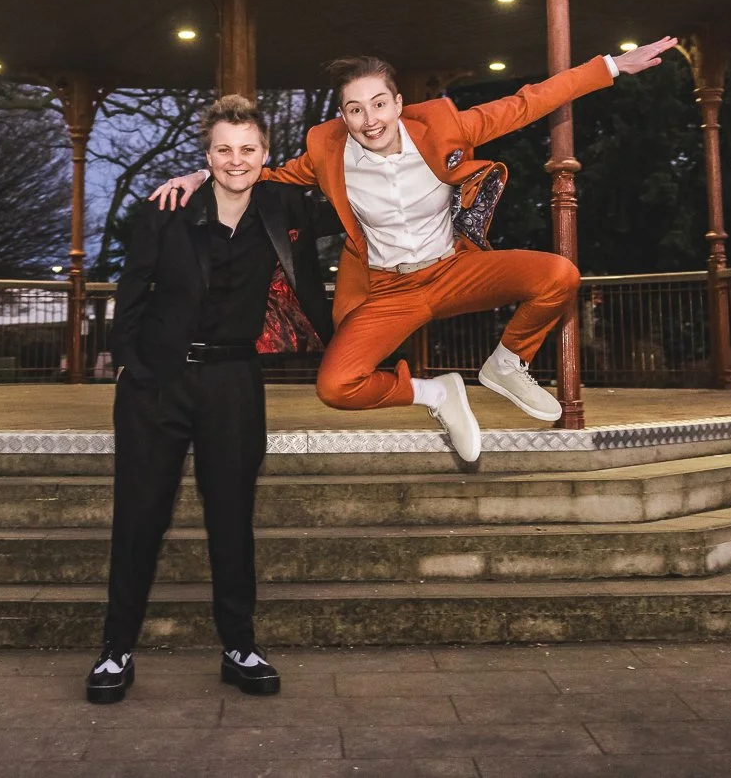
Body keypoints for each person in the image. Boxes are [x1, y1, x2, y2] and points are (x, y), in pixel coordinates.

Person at [153, 41, 677, 464]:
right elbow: (263, 175)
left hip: (454, 270)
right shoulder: (326, 149)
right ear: (344, 115)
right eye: (355, 109)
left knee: (558, 275)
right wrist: (202, 173)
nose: (369, 119)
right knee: (336, 386)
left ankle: (507, 363)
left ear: (398, 103)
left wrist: (610, 66)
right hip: (388, 288)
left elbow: (528, 102)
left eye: (379, 104)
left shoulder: (446, 127)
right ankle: (438, 394)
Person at [87, 95, 335, 705]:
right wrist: (130, 368)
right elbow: (133, 288)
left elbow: (349, 177)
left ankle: (239, 647)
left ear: (266, 154)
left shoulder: (284, 207)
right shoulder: (168, 208)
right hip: (158, 384)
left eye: (247, 148)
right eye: (222, 149)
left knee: (231, 516)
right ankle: (115, 650)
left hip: (233, 383)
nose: (235, 159)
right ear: (207, 152)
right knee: (139, 516)